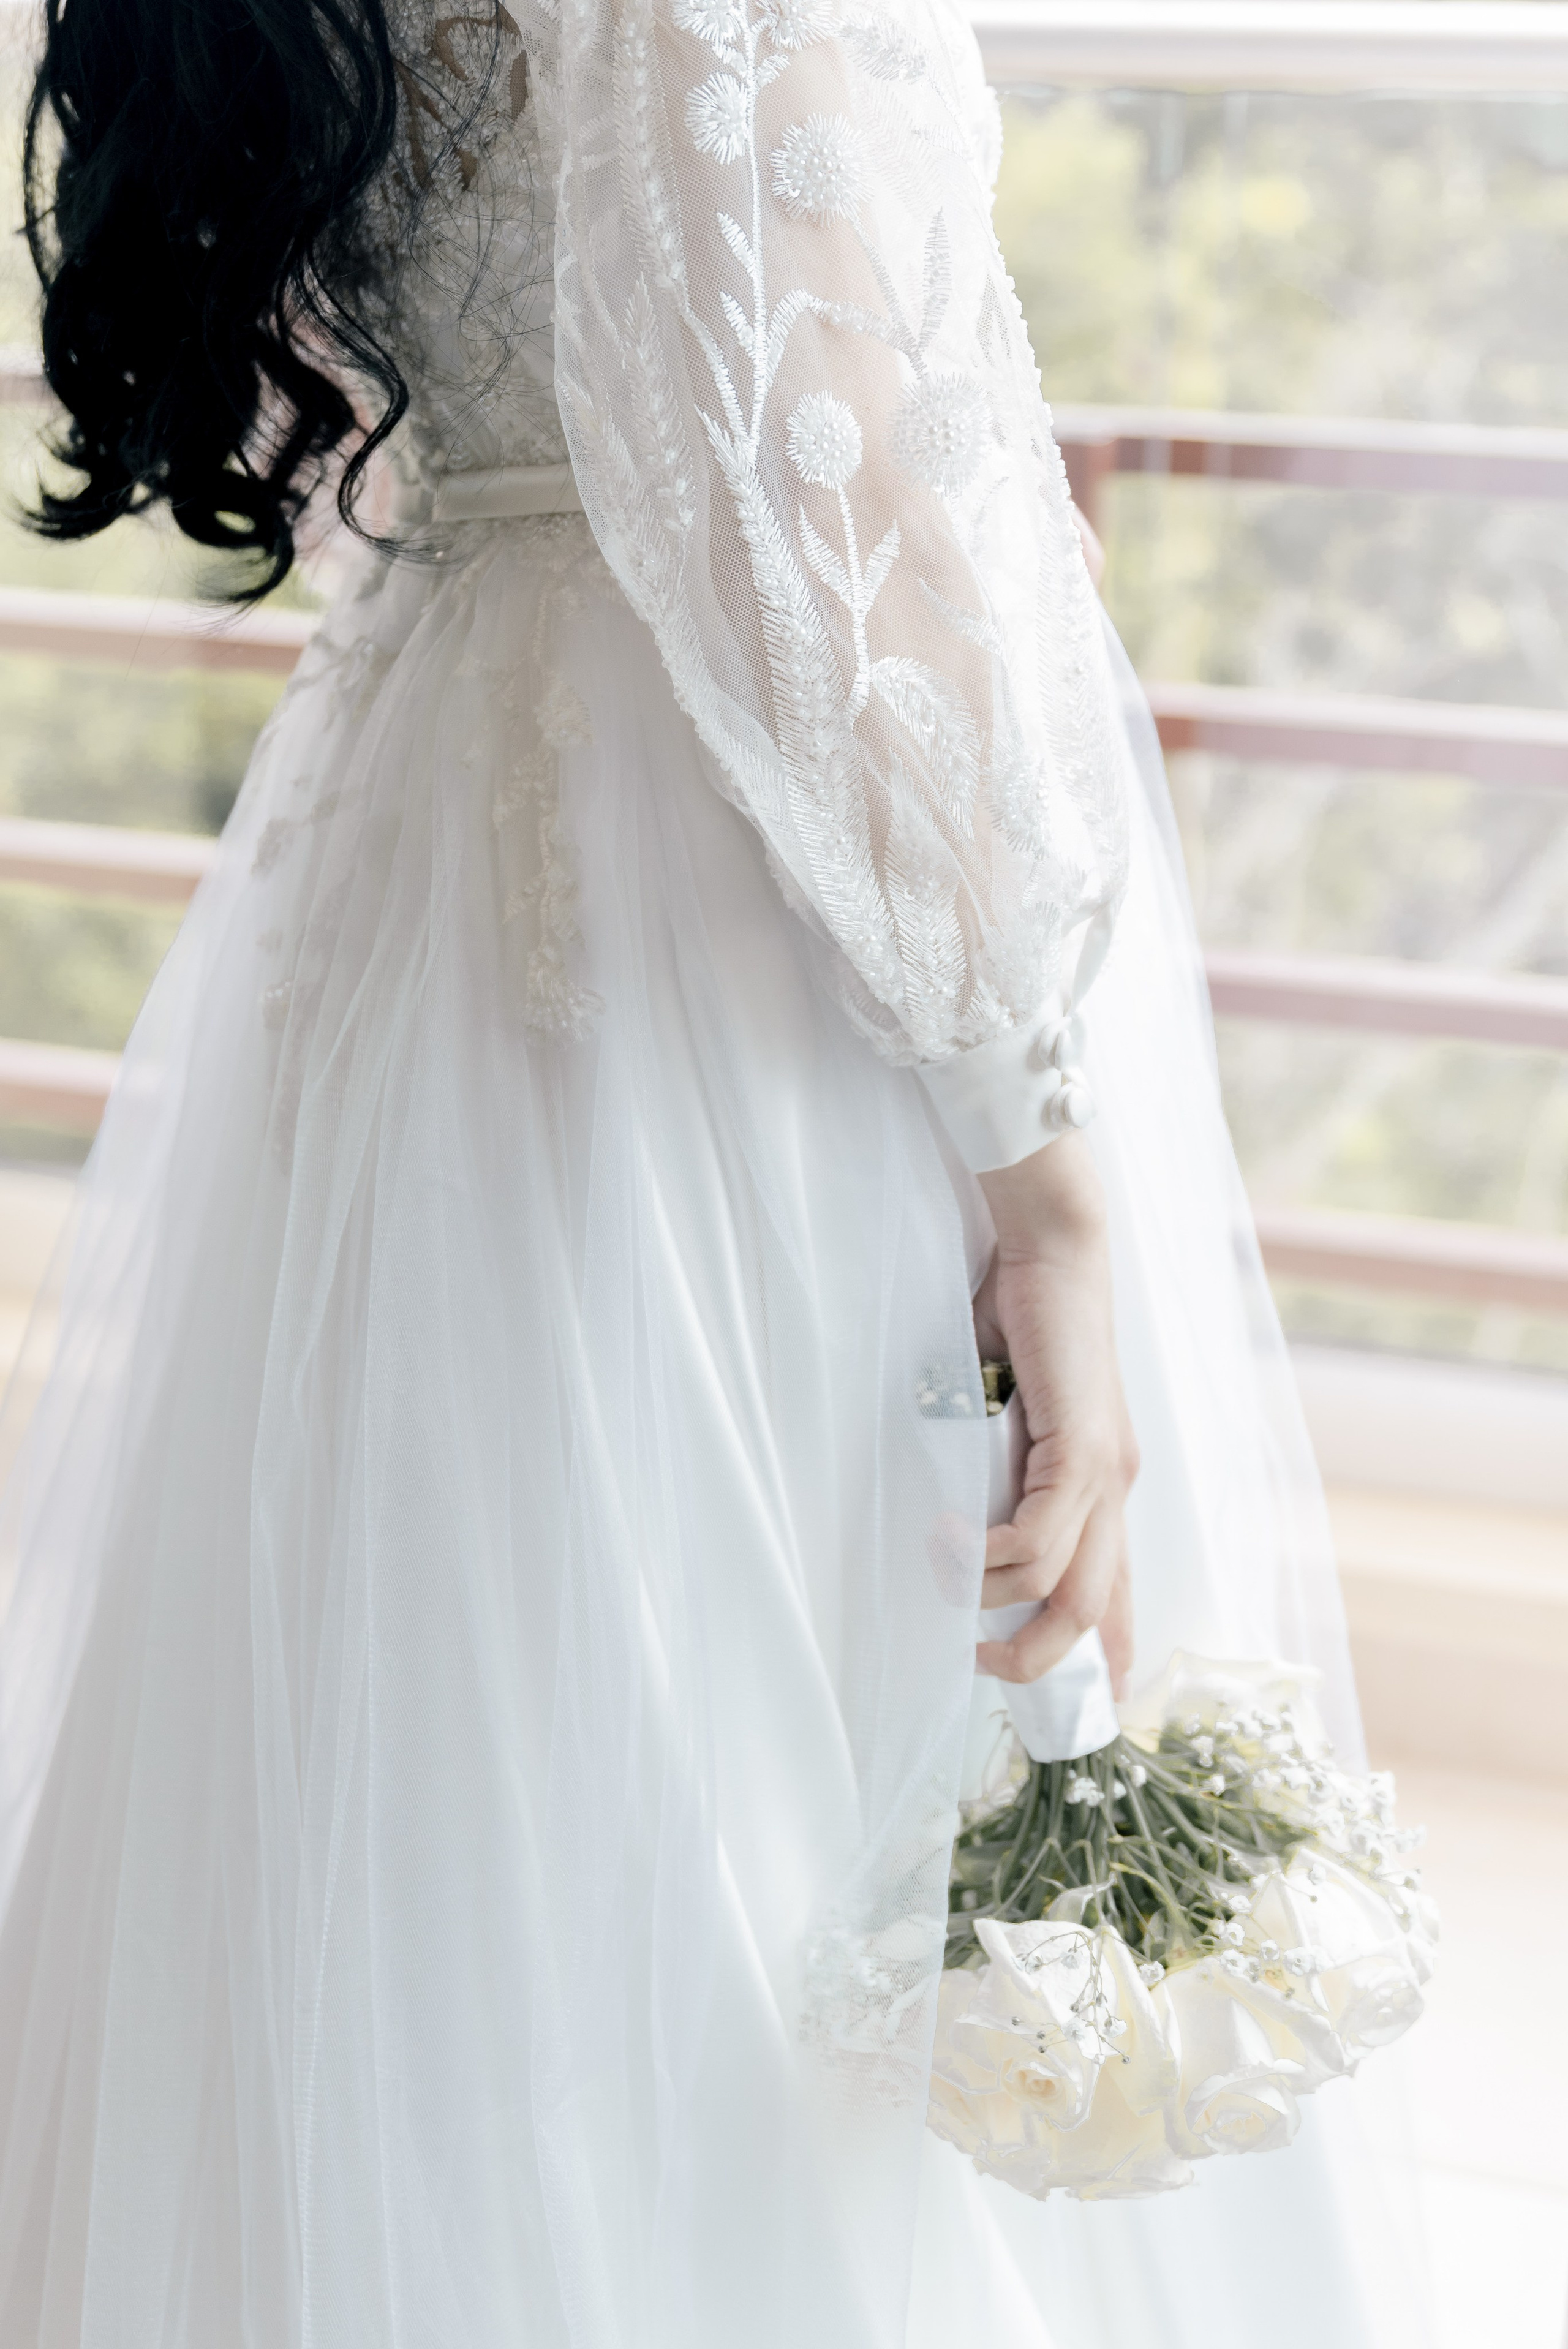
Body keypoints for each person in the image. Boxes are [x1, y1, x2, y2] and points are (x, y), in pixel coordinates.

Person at [0, 2, 1429, 2343]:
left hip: (459, 810)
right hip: (730, 892)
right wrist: (1033, 1145)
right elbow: (814, 467)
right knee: (768, 1775)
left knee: (472, 1750)